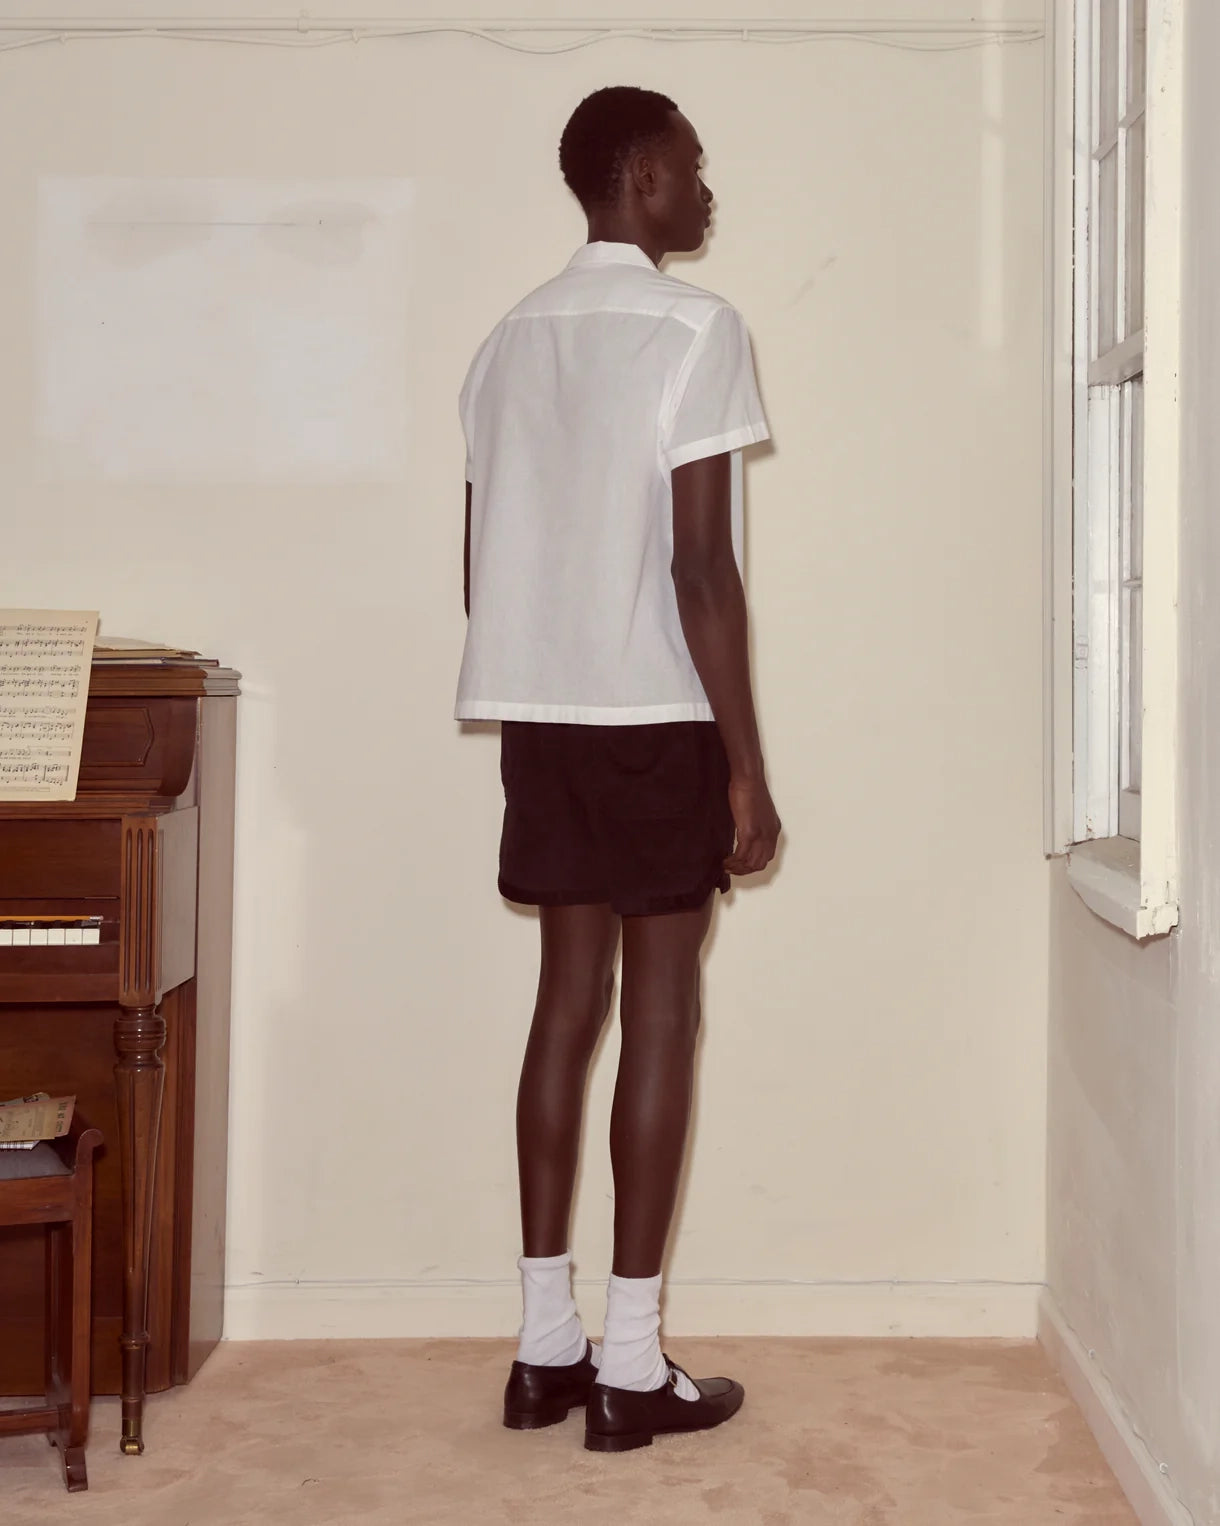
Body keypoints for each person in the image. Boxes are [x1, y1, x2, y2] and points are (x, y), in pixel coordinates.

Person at [456, 84, 781, 1453]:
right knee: (661, 1017)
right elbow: (702, 567)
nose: (709, 192)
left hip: (543, 712)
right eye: (696, 169)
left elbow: (479, 568)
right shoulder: (695, 331)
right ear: (641, 175)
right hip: (654, 715)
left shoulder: (504, 340)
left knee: (563, 1005)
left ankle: (544, 1351)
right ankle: (631, 1366)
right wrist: (748, 770)